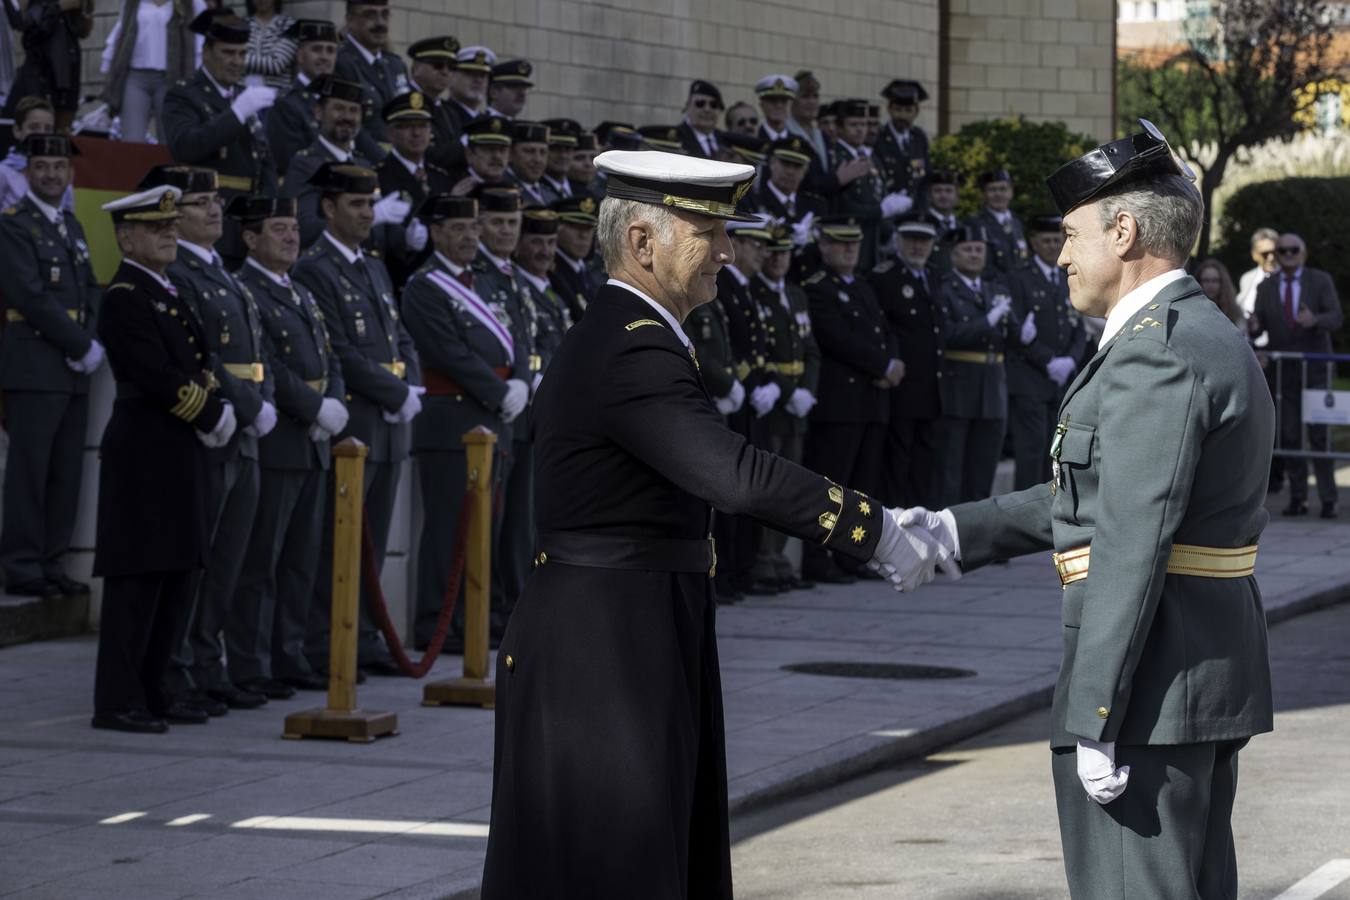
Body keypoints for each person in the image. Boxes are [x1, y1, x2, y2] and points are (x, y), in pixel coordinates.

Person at [480, 148, 946, 899]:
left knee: (647, 844)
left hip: (627, 623)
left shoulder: (635, 332)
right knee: (614, 857)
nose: (728, 252)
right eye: (708, 233)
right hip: (603, 643)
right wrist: (875, 529)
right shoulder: (632, 345)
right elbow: (734, 473)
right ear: (641, 242)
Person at [904, 122, 1276, 900]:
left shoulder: (1157, 348)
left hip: (1146, 689)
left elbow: (1133, 537)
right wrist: (951, 533)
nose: (1063, 255)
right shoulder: (1192, 333)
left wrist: (1097, 713)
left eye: (1071, 236)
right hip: (1183, 672)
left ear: (1125, 230)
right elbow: (1100, 494)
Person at [92, 183, 231, 733]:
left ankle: (155, 689)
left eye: (172, 224)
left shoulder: (166, 291)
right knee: (138, 581)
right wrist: (209, 413)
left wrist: (214, 405)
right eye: (156, 227)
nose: (170, 233)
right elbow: (155, 375)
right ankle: (119, 699)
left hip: (177, 450)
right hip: (146, 450)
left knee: (175, 576)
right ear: (127, 237)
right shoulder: (126, 295)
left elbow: (201, 361)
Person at [153, 164, 276, 713]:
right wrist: (249, 407)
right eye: (199, 203)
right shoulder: (179, 273)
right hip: (215, 425)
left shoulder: (223, 272)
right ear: (171, 215)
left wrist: (262, 400)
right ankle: (177, 667)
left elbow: (257, 354)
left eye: (215, 202)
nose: (212, 210)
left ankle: (207, 661)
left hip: (245, 427)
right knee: (197, 561)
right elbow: (204, 355)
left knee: (230, 561)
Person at [293, 162, 422, 676]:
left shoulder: (371, 265)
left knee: (373, 539)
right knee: (340, 540)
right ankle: (328, 638)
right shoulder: (315, 267)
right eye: (356, 204)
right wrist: (393, 391)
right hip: (357, 422)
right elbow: (339, 350)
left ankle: (366, 632)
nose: (368, 214)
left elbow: (400, 332)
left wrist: (410, 382)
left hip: (389, 421)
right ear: (328, 208)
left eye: (371, 204)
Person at [399, 193, 527, 651]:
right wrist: (499, 391)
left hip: (497, 421)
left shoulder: (492, 282)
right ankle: (437, 623)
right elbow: (447, 351)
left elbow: (519, 335)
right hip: (453, 421)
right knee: (448, 531)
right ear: (436, 233)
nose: (470, 237)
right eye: (459, 229)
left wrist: (523, 383)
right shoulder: (425, 287)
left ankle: (476, 617)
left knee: (487, 530)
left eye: (474, 230)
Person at [230, 194, 345, 693]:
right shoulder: (248, 289)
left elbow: (329, 354)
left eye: (293, 228)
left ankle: (289, 653)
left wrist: (333, 402)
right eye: (278, 229)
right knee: (263, 562)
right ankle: (251, 663)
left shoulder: (298, 290)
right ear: (251, 239)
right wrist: (312, 406)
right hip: (281, 440)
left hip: (312, 444)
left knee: (301, 561)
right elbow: (269, 366)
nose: (290, 237)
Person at [0, 134, 102, 598]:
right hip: (36, 364)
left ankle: (53, 561)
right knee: (30, 471)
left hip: (73, 368)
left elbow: (90, 291)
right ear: (26, 173)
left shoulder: (72, 226)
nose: (51, 175)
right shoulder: (14, 226)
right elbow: (28, 294)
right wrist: (81, 343)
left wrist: (93, 339)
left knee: (66, 473)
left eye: (58, 167)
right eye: (41, 166)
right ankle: (22, 565)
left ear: (70, 174)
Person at [800, 215, 902, 583]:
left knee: (862, 487)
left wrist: (892, 360)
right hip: (840, 403)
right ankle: (819, 558)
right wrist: (882, 364)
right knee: (832, 486)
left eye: (853, 244)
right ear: (824, 246)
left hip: (870, 402)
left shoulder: (862, 285)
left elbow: (884, 329)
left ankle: (852, 554)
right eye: (839, 244)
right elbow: (836, 338)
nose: (847, 250)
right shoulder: (818, 287)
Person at [161, 9, 279, 268]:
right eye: (227, 52)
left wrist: (270, 216)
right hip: (209, 222)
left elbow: (265, 161)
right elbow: (186, 147)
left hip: (250, 228)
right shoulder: (184, 95)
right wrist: (236, 114)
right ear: (206, 53)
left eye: (241, 53)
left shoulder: (243, 95)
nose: (236, 61)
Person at [1249, 233, 1343, 518]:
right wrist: (1253, 325)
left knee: (1319, 436)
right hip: (1285, 374)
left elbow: (1336, 317)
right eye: (1282, 250)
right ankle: (1298, 497)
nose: (1288, 254)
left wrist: (1315, 320)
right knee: (1289, 437)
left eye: (1294, 250)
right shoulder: (1267, 286)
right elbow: (1259, 324)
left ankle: (1328, 499)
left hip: (1314, 370)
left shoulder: (1320, 280)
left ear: (1303, 252)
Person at [935, 223, 1029, 507]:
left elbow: (1011, 337)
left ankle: (975, 540)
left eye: (979, 249)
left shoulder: (994, 290)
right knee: (951, 468)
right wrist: (986, 321)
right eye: (968, 249)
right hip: (959, 384)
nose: (975, 254)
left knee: (983, 468)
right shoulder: (945, 289)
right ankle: (948, 538)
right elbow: (947, 334)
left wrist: (1021, 330)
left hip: (992, 386)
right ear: (954, 254)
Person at [750, 225, 820, 590]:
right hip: (774, 400)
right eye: (772, 252)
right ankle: (764, 558)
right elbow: (764, 351)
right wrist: (790, 389)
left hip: (795, 404)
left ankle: (778, 556)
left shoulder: (795, 295)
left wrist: (807, 389)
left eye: (784, 253)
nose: (778, 259)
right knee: (770, 486)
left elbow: (810, 349)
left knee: (792, 485)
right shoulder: (755, 293)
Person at [868, 213, 945, 509]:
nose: (918, 246)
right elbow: (883, 329)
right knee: (896, 468)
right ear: (898, 240)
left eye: (924, 240)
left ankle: (919, 529)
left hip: (930, 389)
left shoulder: (934, 275)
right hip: (901, 389)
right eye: (911, 240)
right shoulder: (884, 277)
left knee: (922, 470)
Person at [1006, 214, 1086, 491]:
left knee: (1056, 450)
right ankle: (1023, 515)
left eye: (1057, 240)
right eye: (1047, 240)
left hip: (1061, 378)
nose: (1053, 246)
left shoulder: (1068, 274)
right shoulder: (1019, 278)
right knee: (1032, 449)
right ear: (1033, 242)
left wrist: (1071, 360)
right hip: (1030, 377)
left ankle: (1050, 512)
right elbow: (1017, 329)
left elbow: (1079, 324)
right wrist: (1047, 360)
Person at [100, 0, 204, 143]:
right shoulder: (131, 2)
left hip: (171, 80)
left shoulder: (192, 3)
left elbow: (199, 39)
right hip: (135, 78)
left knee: (168, 142)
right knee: (131, 142)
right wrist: (108, 67)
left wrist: (197, 77)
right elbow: (121, 29)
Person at [374, 90, 450, 286]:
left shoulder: (440, 177)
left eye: (423, 126)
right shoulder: (379, 176)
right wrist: (403, 240)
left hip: (443, 278)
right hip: (403, 279)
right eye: (407, 126)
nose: (416, 133)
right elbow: (380, 234)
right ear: (391, 133)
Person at [1, 0, 90, 132]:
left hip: (65, 69)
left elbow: (82, 27)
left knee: (58, 131)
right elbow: (23, 22)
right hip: (39, 72)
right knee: (32, 125)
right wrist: (58, 7)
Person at [265, 18, 337, 176]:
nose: (324, 57)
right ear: (300, 56)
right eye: (317, 49)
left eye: (330, 50)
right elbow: (291, 164)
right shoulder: (286, 103)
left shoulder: (338, 100)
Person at [333, 0, 406, 150]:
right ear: (350, 20)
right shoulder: (340, 62)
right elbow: (349, 125)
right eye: (370, 14)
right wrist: (385, 161)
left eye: (385, 15)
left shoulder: (395, 65)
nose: (380, 23)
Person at [829, 99, 886, 272]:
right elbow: (844, 204)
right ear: (839, 128)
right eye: (853, 124)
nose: (860, 129)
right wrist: (881, 211)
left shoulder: (870, 157)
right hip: (849, 239)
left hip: (873, 240)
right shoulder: (836, 157)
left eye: (863, 124)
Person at [870, 79, 929, 214]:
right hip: (888, 212)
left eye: (908, 110)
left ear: (916, 112)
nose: (902, 116)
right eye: (898, 110)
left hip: (914, 212)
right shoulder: (878, 138)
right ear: (889, 109)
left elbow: (923, 179)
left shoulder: (918, 138)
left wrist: (921, 211)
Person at [0, 96, 68, 211]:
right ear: (17, 130)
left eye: (48, 129)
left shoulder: (61, 175)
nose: (41, 134)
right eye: (33, 128)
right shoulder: (4, 172)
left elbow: (67, 217)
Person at [407, 36, 461, 171]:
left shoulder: (450, 112)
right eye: (437, 65)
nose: (445, 72)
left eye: (451, 67)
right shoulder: (404, 103)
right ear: (416, 67)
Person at [548, 193, 602, 322]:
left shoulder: (585, 269)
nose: (583, 236)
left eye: (588, 228)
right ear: (558, 229)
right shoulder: (553, 271)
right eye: (576, 227)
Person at [967, 169, 1028, 279]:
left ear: (1011, 192)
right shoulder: (975, 223)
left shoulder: (1017, 222)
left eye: (1003, 189)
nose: (998, 194)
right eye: (992, 190)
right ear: (984, 194)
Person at [1235, 226, 1278, 339]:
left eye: (1275, 252)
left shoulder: (1287, 280)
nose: (1271, 257)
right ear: (1255, 254)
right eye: (1265, 253)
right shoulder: (1247, 278)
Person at [242, 0, 294, 91]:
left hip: (277, 97)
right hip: (243, 94)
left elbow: (277, 64)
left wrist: (241, 59)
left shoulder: (288, 25)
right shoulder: (241, 24)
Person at [445, 45, 493, 131]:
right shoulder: (444, 117)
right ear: (451, 77)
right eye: (470, 73)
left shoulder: (487, 121)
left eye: (483, 75)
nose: (478, 80)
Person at [506, 120, 552, 206]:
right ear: (510, 154)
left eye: (543, 152)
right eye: (529, 151)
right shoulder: (503, 190)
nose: (538, 160)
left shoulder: (550, 195)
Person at [923, 168, 960, 275]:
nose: (943, 195)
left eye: (948, 191)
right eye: (938, 191)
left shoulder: (965, 227)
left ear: (957, 196)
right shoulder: (924, 224)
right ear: (929, 196)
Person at [676, 79, 723, 159]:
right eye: (700, 104)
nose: (707, 109)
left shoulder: (725, 141)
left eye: (713, 105)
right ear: (687, 107)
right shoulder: (676, 139)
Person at [1195, 257, 1243, 327]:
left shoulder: (1234, 312)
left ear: (1223, 282)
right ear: (1199, 282)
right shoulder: (1193, 310)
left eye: (1215, 280)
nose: (1210, 285)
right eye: (1206, 280)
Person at [539, 117, 579, 199]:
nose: (563, 156)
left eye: (568, 149)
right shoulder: (537, 190)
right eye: (555, 149)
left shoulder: (582, 191)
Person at [755, 74, 797, 142]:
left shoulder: (798, 144)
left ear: (790, 106)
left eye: (784, 101)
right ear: (762, 105)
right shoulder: (754, 140)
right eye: (772, 100)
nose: (778, 106)